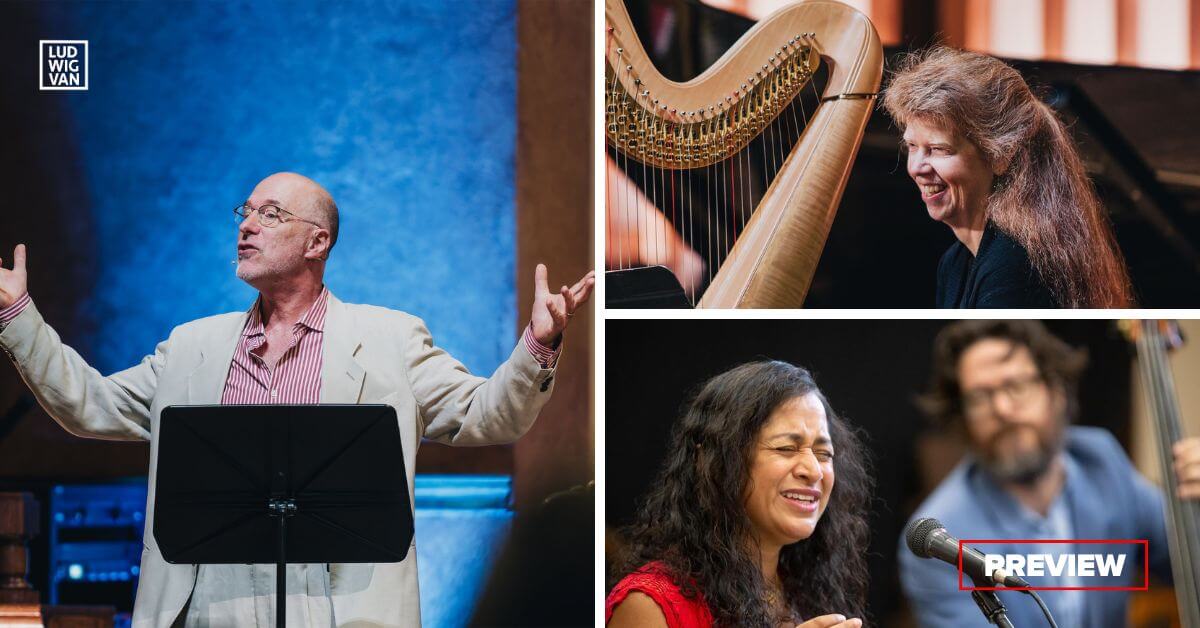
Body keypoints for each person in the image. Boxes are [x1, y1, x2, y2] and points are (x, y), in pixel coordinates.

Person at [0, 172, 594, 627]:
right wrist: (17, 317)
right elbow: (88, 405)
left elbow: (488, 415)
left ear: (318, 241)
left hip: (335, 604)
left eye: (270, 213)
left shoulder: (390, 339)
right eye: (246, 212)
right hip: (211, 603)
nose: (247, 225)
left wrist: (537, 346)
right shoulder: (192, 347)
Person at [900, 320, 1200, 627]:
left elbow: (1188, 561)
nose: (1002, 408)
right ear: (962, 416)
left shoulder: (1101, 460)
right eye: (979, 397)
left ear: (1055, 389)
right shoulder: (940, 539)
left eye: (1015, 386)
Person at [606, 361, 872, 628]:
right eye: (785, 448)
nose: (814, 471)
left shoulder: (809, 593)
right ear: (718, 462)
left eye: (824, 454)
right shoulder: (650, 604)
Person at [881, 46, 1133, 308]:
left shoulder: (1016, 266)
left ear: (1001, 155)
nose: (917, 167)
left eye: (939, 150)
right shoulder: (954, 263)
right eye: (912, 146)